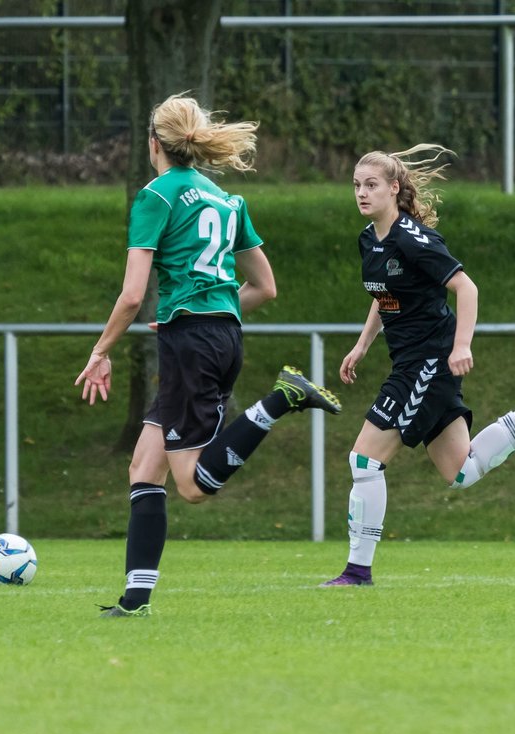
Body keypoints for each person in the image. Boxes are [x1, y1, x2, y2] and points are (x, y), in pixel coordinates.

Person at [76, 94, 341, 617]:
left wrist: (100, 350)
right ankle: (135, 601)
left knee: (192, 486)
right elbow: (264, 287)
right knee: (143, 469)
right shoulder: (225, 199)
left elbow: (132, 295)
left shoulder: (157, 196)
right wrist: (205, 309)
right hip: (220, 336)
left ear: (153, 143)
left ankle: (279, 401)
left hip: (190, 347)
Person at [319, 145, 515, 587]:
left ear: (394, 190)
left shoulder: (414, 239)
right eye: (357, 185)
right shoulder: (369, 240)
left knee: (364, 460)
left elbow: (466, 287)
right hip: (412, 362)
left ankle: (358, 571)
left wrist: (462, 345)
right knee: (460, 471)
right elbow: (383, 297)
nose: (361, 193)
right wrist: (361, 345)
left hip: (427, 363)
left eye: (371, 185)